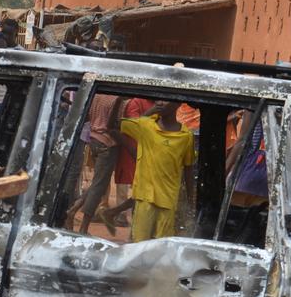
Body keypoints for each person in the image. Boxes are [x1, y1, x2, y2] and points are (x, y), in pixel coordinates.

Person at [120, 101, 197, 242]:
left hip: (168, 200)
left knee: (161, 247)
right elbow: (123, 126)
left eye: (166, 100)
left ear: (177, 104)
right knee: (139, 245)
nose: (160, 103)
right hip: (145, 197)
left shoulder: (186, 136)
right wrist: (150, 112)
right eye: (158, 100)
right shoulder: (147, 126)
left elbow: (188, 169)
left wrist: (191, 199)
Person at [66, 93, 123, 233]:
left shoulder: (96, 95)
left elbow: (86, 116)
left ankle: (74, 210)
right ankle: (82, 223)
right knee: (99, 187)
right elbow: (112, 124)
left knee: (98, 184)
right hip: (107, 142)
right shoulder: (116, 98)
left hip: (94, 139)